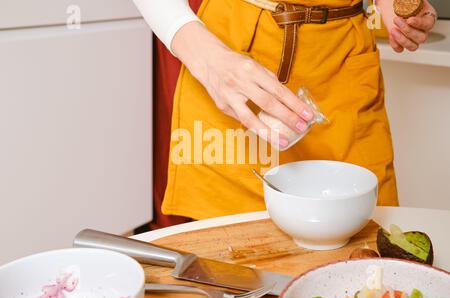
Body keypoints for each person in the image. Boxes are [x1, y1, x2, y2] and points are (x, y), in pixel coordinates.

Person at [134, 0, 437, 227]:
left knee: (367, 263)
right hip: (233, 64)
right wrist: (210, 61)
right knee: (229, 271)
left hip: (343, 68)